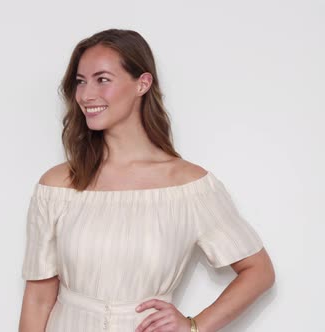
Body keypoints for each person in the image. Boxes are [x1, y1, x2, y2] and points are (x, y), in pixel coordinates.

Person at [18, 29, 275, 332]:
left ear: (142, 83)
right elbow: (38, 298)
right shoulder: (59, 185)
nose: (86, 95)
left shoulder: (188, 186)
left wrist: (194, 326)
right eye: (80, 81)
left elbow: (259, 271)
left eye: (103, 79)